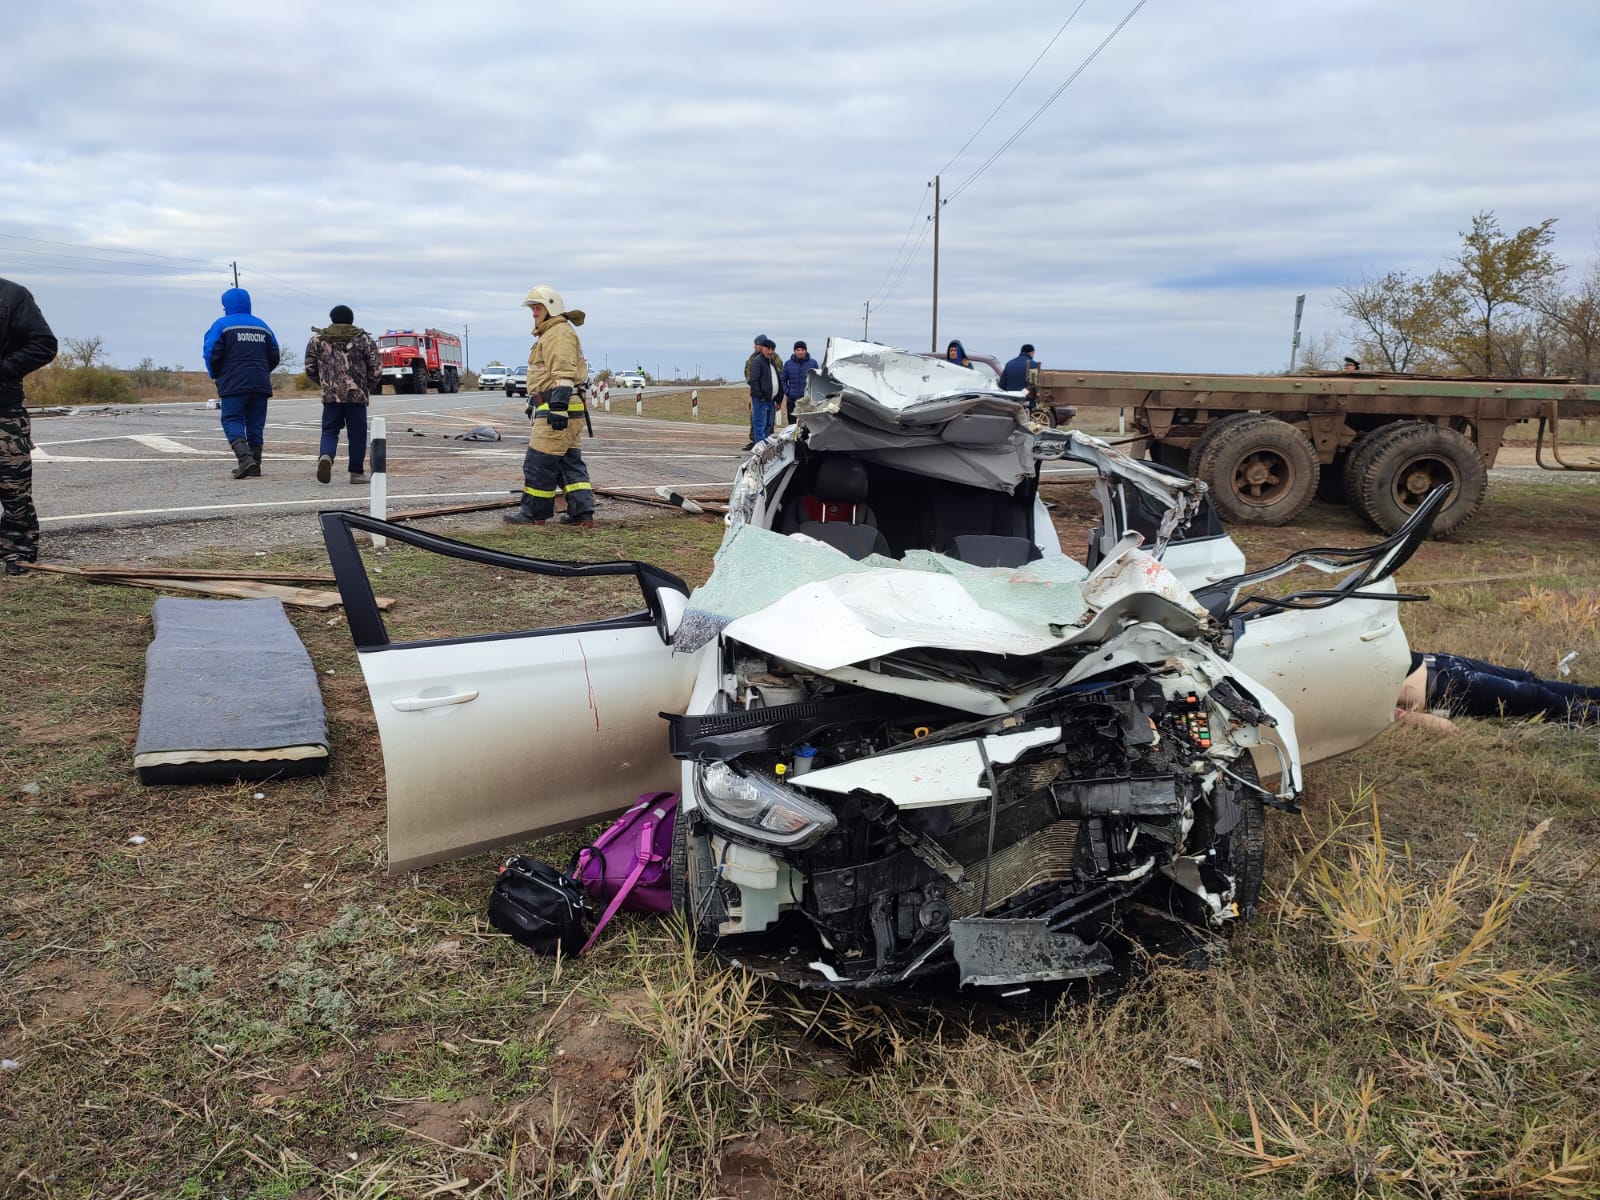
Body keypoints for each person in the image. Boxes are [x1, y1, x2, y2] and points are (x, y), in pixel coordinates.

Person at [505, 285, 595, 527]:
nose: (534, 313)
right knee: (568, 463)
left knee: (539, 464)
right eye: (532, 308)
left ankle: (533, 514)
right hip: (564, 406)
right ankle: (582, 513)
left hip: (559, 406)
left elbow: (563, 372)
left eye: (537, 308)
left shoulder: (558, 332)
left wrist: (557, 406)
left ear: (551, 308)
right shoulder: (554, 333)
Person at [0, 277, 58, 577]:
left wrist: (5, 368)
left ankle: (18, 552)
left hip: (4, 412)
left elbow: (44, 345)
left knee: (14, 489)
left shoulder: (12, 295)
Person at [1396, 651, 1600, 732]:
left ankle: (1594, 694)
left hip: (1438, 661)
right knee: (1536, 697)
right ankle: (1594, 716)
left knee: (1529, 680)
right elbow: (1447, 728)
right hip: (1444, 687)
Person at [203, 287, 280, 479]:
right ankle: (255, 464)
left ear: (226, 306)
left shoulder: (221, 325)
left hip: (233, 382)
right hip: (260, 382)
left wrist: (216, 374)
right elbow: (275, 354)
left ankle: (245, 459)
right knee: (255, 423)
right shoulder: (263, 326)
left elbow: (212, 353)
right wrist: (261, 371)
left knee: (232, 419)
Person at [305, 305, 380, 485]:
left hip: (331, 395)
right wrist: (366, 386)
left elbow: (310, 368)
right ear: (351, 319)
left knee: (330, 430)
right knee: (357, 434)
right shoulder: (363, 339)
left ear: (332, 319)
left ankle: (326, 455)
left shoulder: (317, 340)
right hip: (356, 395)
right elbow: (376, 369)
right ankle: (356, 472)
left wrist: (325, 384)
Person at [746, 336, 780, 451]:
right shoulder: (757, 362)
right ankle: (760, 450)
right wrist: (760, 396)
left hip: (770, 400)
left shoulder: (772, 363)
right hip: (761, 401)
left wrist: (778, 398)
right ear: (763, 349)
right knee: (760, 426)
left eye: (772, 349)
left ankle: (765, 449)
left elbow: (777, 379)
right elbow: (753, 381)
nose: (770, 352)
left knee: (768, 426)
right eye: (768, 349)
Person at [779, 340, 819, 423]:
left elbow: (818, 379)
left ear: (806, 351)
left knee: (808, 424)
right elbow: (782, 379)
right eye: (798, 350)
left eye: (802, 350)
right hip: (792, 400)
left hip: (808, 400)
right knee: (792, 424)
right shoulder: (788, 364)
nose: (800, 352)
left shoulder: (813, 363)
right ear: (794, 351)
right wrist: (787, 391)